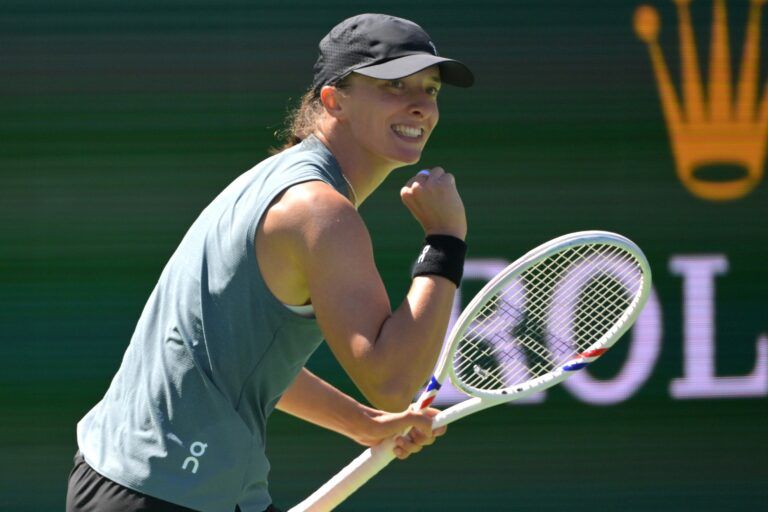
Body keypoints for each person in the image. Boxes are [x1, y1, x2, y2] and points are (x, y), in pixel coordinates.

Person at [66, 12, 474, 512]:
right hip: (170, 491)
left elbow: (228, 356)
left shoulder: (276, 180)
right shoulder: (318, 211)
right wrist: (446, 239)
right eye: (396, 86)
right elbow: (393, 382)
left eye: (430, 90)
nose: (419, 106)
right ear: (334, 100)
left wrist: (361, 424)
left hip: (123, 474)